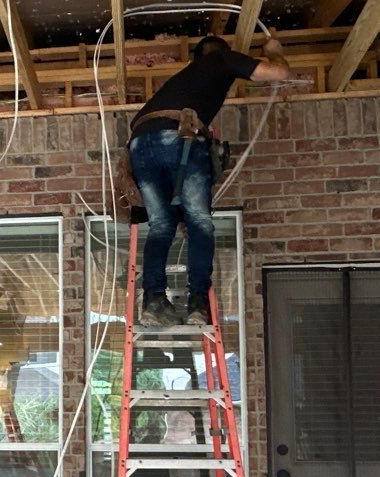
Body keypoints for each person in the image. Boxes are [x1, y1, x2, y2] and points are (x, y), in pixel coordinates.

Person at [125, 33, 292, 326]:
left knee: (162, 225)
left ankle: (153, 302)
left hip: (139, 146)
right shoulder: (221, 59)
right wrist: (274, 50)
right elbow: (278, 73)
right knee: (199, 222)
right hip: (178, 138)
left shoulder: (183, 80)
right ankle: (197, 304)